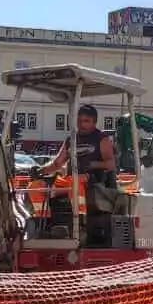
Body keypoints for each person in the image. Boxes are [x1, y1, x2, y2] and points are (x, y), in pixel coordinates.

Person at [33, 104, 121, 243]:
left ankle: (80, 225)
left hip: (93, 181)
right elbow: (57, 163)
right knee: (36, 186)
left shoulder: (101, 139)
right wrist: (40, 170)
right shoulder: (71, 140)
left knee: (76, 181)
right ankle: (42, 223)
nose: (82, 124)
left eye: (86, 121)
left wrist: (91, 164)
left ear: (94, 122)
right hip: (70, 179)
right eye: (79, 120)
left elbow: (111, 164)